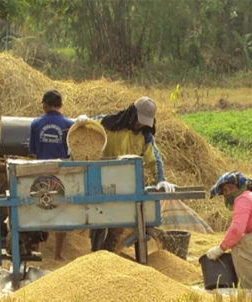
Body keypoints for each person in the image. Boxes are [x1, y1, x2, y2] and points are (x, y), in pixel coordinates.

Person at [89, 96, 177, 251]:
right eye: (139, 119)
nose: (141, 124)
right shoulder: (107, 124)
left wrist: (161, 180)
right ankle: (95, 254)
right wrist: (82, 121)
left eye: (145, 121)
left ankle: (110, 254)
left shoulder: (145, 135)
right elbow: (85, 128)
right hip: (102, 182)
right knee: (99, 222)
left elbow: (154, 159)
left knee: (119, 225)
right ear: (132, 113)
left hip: (127, 186)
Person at [29, 89, 74, 261]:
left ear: (45, 105)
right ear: (61, 105)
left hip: (40, 171)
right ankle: (58, 254)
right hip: (62, 173)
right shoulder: (70, 125)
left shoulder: (35, 124)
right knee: (61, 211)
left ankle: (35, 251)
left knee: (37, 210)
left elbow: (33, 151)